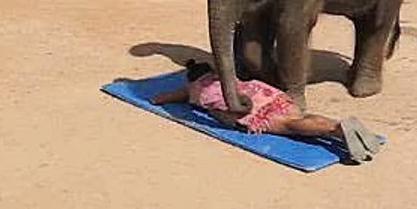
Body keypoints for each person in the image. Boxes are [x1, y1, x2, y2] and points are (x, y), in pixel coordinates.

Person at [150, 60, 381, 162]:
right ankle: (336, 125)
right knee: (298, 117)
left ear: (192, 79)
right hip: (268, 94)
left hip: (255, 111)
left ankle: (336, 129)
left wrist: (175, 94)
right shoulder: (228, 77)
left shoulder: (197, 91)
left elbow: (161, 98)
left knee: (291, 126)